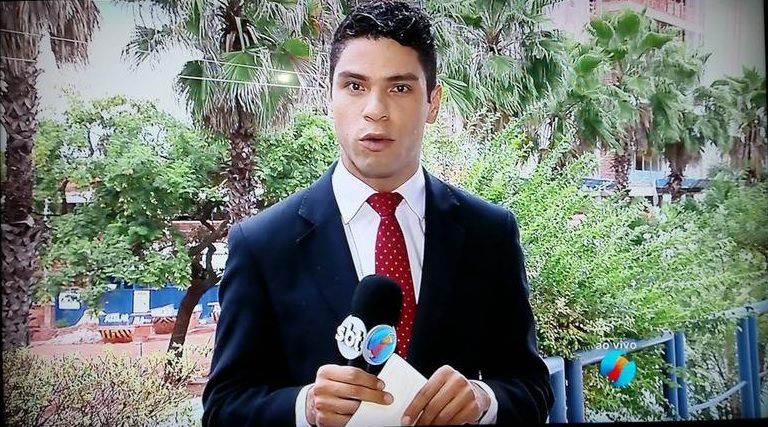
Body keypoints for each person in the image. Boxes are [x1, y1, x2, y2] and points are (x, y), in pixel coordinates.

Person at [201, 1, 553, 425]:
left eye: (400, 88)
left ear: (433, 102)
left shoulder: (489, 233)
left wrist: (483, 400)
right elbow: (223, 407)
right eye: (354, 85)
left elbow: (531, 388)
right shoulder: (261, 244)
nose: (375, 109)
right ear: (329, 97)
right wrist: (304, 407)